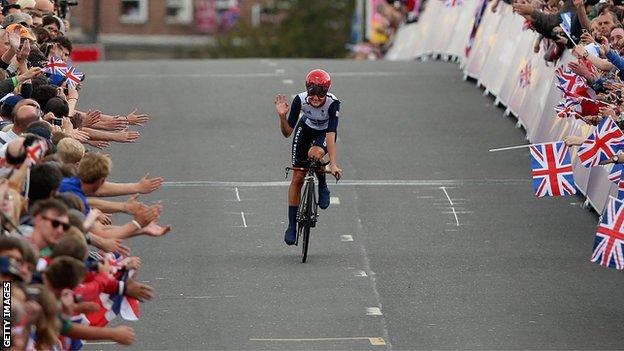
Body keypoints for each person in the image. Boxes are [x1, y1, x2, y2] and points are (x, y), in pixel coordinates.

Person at [274, 69, 343, 245]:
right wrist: (282, 117)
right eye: (313, 94)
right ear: (307, 90)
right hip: (306, 129)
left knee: (315, 154)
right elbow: (287, 133)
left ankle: (323, 186)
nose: (316, 98)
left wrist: (333, 165)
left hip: (324, 133)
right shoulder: (300, 99)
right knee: (297, 177)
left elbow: (331, 134)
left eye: (321, 95)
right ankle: (291, 225)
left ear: (326, 92)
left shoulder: (332, 103)